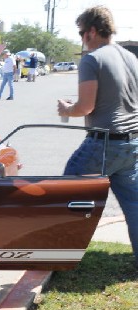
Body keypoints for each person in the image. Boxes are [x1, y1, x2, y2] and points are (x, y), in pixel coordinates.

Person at [57, 5, 138, 266]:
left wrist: (67, 109)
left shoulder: (92, 59)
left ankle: (59, 255)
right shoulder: (131, 58)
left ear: (92, 31)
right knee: (135, 206)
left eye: (81, 33)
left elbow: (86, 107)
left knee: (65, 195)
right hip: (132, 143)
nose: (81, 39)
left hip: (103, 143)